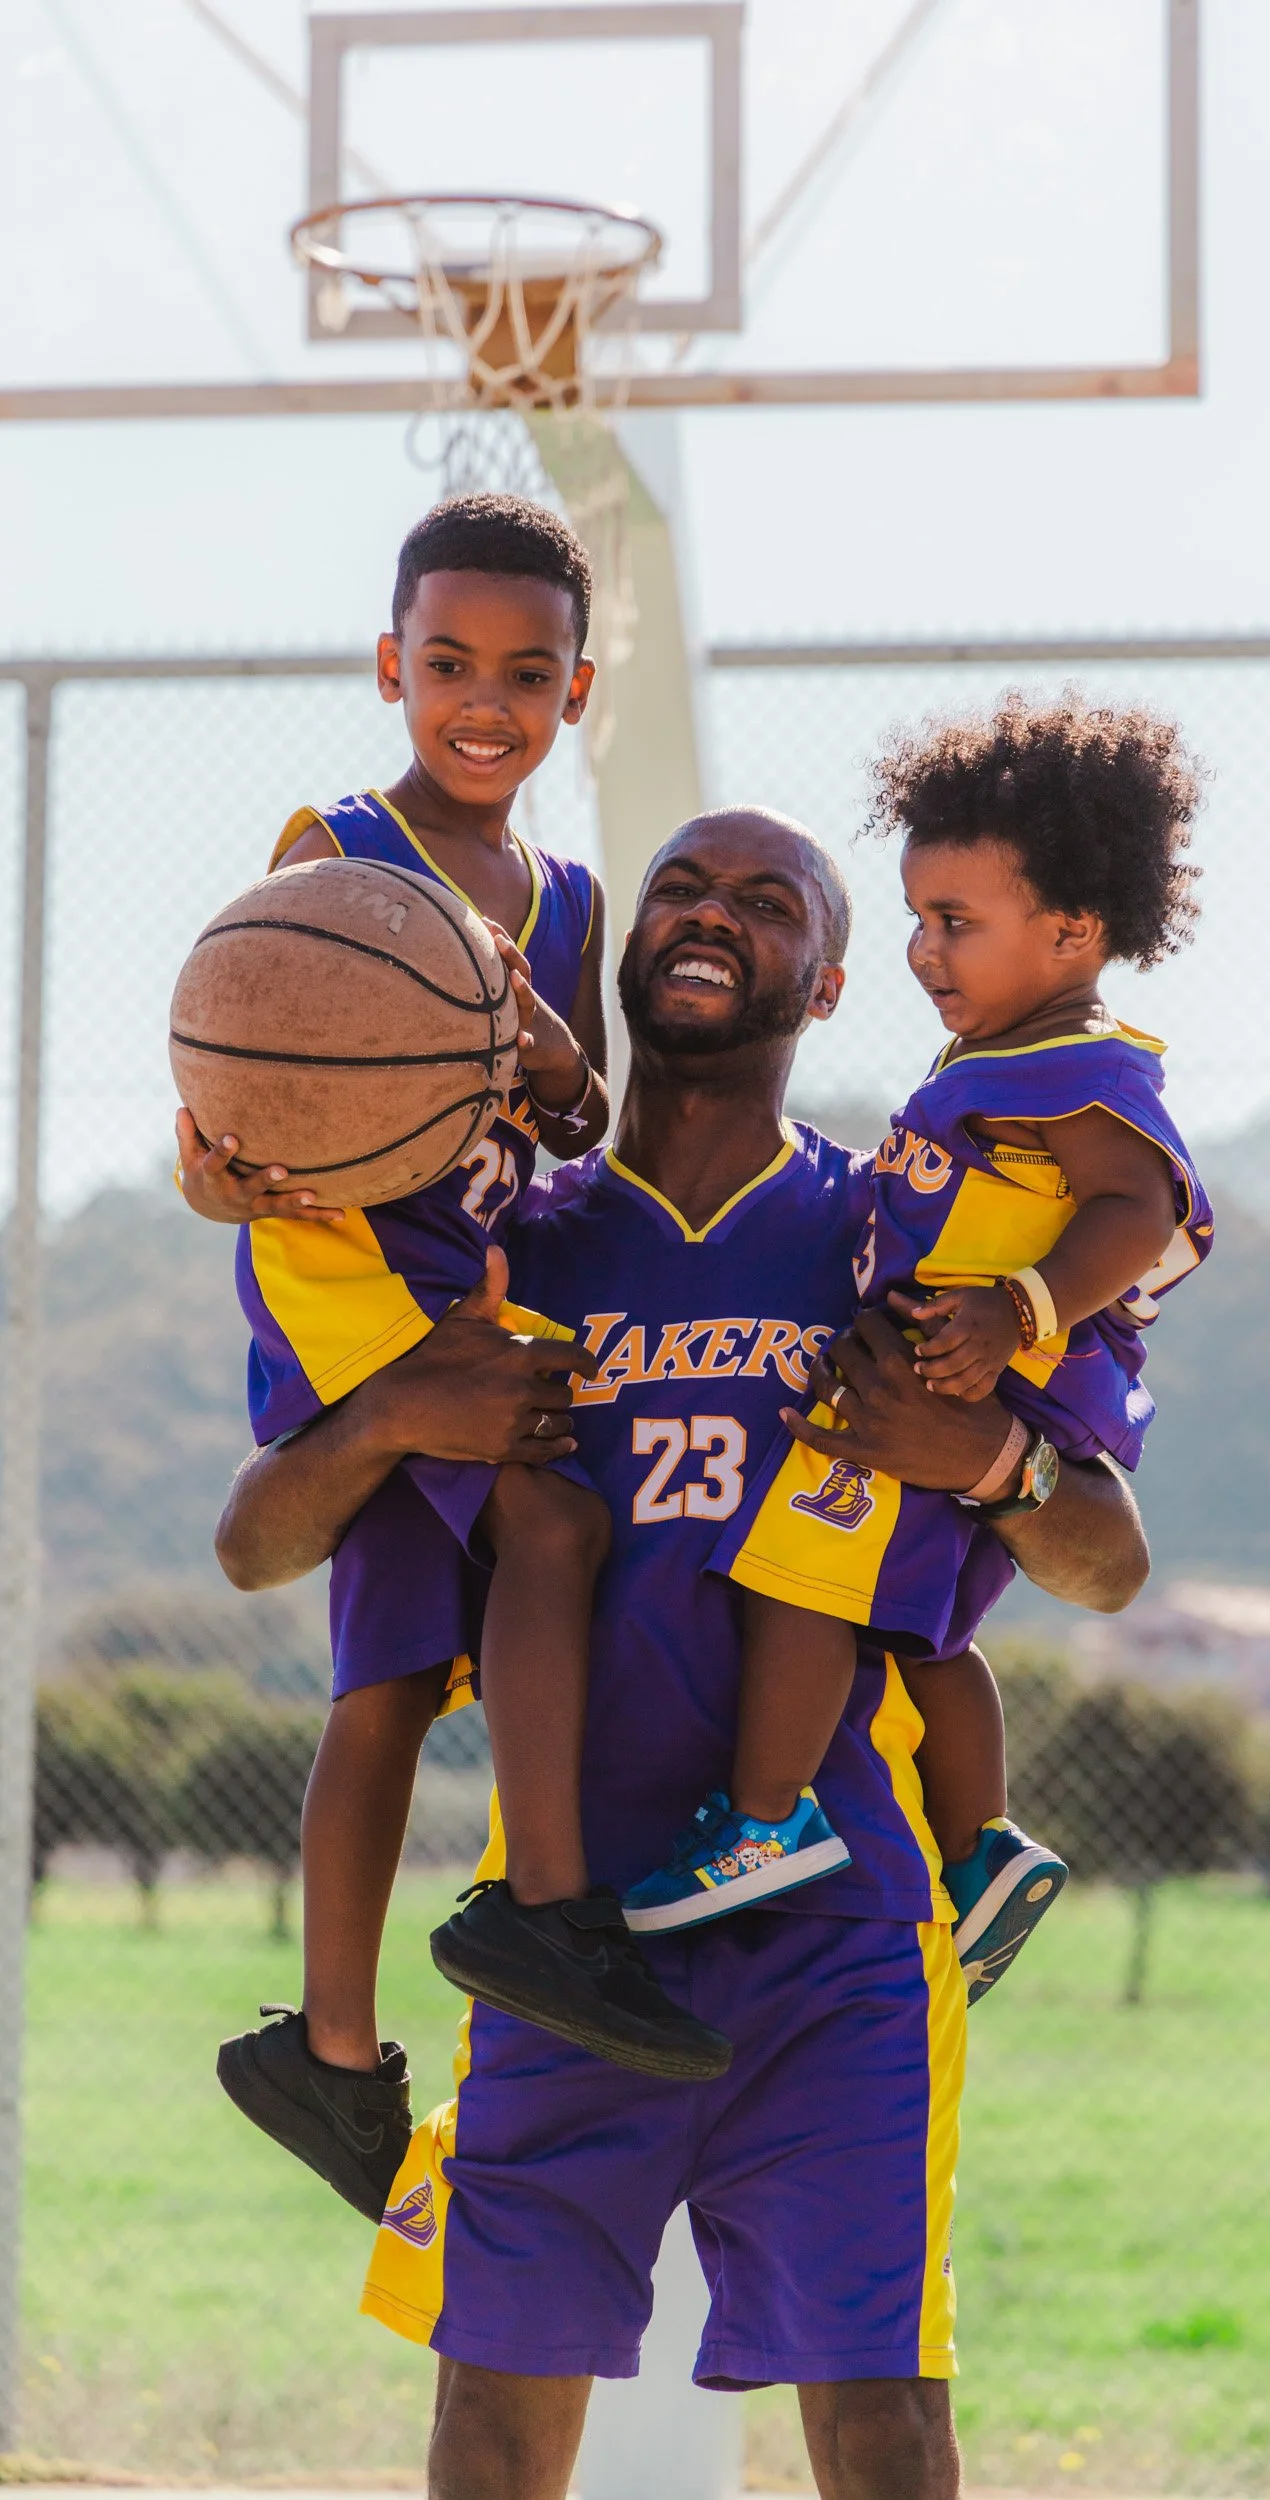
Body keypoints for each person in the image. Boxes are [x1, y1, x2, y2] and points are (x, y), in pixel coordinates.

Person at [214, 806, 1152, 2500]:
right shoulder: (507, 1240)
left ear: (834, 974)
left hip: (841, 1933)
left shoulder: (900, 1232)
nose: (711, 916)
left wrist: (984, 1460)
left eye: (765, 899)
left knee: (881, 2422)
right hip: (567, 1939)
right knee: (495, 2419)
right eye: (678, 889)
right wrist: (400, 1410)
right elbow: (259, 1543)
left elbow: (1105, 1559)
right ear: (624, 953)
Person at [181, 493, 730, 2228]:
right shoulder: (336, 850)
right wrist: (211, 1154)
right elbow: (251, 1042)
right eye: (443, 664)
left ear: (577, 692)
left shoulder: (567, 898)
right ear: (387, 668)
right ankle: (541, 1911)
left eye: (522, 669)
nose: (478, 699)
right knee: (553, 1533)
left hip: (480, 1272)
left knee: (391, 1684)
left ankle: (332, 2057)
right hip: (356, 1282)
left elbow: (572, 1114)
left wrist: (552, 1051)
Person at [623, 692, 1212, 2007]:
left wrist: (1022, 1310)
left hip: (973, 1382)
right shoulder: (1005, 1058)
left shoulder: (1078, 1066)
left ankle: (765, 1820)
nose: (923, 950)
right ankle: (982, 1843)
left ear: (1067, 931)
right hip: (959, 1379)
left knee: (801, 1587)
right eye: (916, 918)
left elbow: (1142, 1209)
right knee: (920, 1636)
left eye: (956, 923)